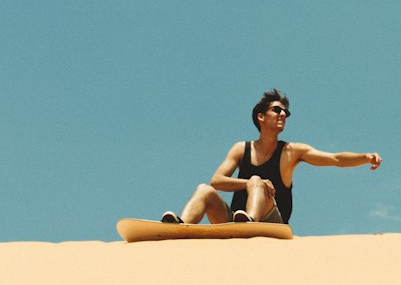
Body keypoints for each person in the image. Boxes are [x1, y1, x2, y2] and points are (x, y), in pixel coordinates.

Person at [161, 88, 381, 230]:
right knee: (203, 190)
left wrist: (364, 157)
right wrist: (250, 183)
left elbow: (335, 159)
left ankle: (250, 224)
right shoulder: (241, 149)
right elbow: (217, 181)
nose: (283, 115)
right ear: (261, 116)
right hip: (234, 222)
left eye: (286, 113)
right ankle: (180, 227)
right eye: (277, 110)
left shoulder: (291, 152)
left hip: (272, 225)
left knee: (256, 180)